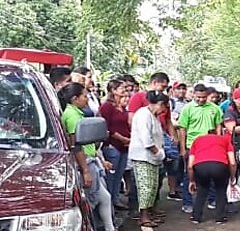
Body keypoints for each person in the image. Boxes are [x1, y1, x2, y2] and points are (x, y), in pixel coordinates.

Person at [60, 83, 116, 231]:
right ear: (75, 99)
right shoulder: (72, 117)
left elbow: (88, 144)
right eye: (84, 96)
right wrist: (85, 170)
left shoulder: (77, 113)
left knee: (104, 198)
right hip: (86, 162)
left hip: (91, 159)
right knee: (91, 201)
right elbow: (76, 145)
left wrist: (101, 160)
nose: (87, 99)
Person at [178, 83, 224, 213]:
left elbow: (218, 126)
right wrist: (182, 148)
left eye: (204, 97)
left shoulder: (215, 108)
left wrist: (219, 142)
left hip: (210, 146)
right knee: (189, 173)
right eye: (198, 97)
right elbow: (183, 129)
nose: (201, 99)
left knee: (212, 173)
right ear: (193, 95)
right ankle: (187, 202)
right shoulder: (187, 109)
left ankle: (212, 199)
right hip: (192, 145)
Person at [129, 91, 169, 228]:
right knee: (145, 187)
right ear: (161, 104)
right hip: (143, 156)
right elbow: (147, 139)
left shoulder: (153, 115)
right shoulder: (143, 115)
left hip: (153, 156)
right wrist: (158, 153)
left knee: (153, 187)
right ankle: (143, 215)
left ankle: (149, 212)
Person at [187, 129, 237, 224]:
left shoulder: (197, 140)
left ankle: (196, 217)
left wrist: (191, 180)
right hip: (220, 165)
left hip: (201, 166)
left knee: (202, 189)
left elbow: (190, 165)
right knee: (221, 189)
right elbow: (233, 162)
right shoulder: (225, 140)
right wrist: (232, 177)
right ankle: (220, 217)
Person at [99, 79, 131, 210]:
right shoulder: (107, 107)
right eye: (121, 88)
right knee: (111, 176)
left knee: (119, 174)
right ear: (113, 91)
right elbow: (106, 127)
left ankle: (116, 199)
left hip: (124, 146)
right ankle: (109, 203)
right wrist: (121, 138)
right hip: (112, 145)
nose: (124, 90)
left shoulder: (122, 107)